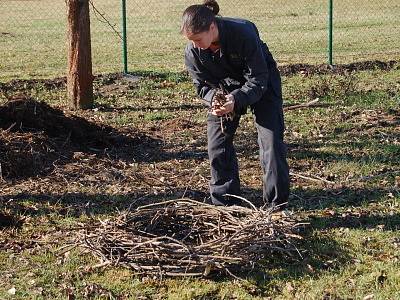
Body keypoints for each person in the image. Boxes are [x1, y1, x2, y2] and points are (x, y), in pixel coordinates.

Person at [181, 0, 290, 207]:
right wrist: (215, 99)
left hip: (263, 83)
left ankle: (276, 205)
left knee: (271, 141)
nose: (195, 44)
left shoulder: (243, 34)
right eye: (190, 40)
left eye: (197, 39)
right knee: (217, 145)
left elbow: (258, 78)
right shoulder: (193, 52)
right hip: (223, 90)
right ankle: (225, 204)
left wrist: (238, 99)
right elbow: (201, 86)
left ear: (212, 27)